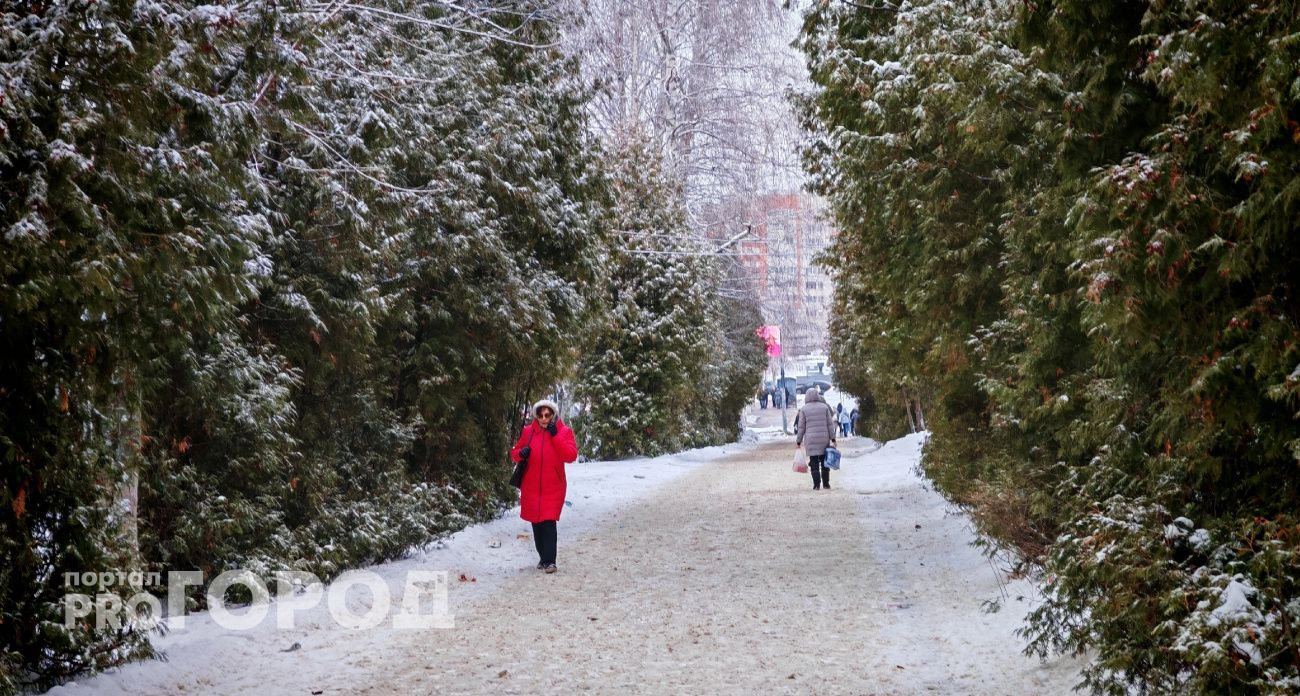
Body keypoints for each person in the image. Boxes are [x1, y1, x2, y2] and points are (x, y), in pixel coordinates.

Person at [509, 399, 578, 573]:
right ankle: (543, 557)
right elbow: (514, 453)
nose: (544, 418)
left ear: (553, 415)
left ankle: (550, 561)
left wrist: (555, 436)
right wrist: (521, 453)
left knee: (548, 521)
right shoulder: (528, 432)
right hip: (531, 486)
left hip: (553, 486)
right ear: (536, 416)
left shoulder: (563, 431)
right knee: (536, 522)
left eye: (547, 415)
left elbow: (570, 455)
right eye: (540, 415)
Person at [796, 386, 837, 490]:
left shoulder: (804, 409)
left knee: (813, 462)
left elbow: (801, 427)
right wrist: (833, 438)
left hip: (811, 440)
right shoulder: (824, 407)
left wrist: (798, 441)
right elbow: (830, 425)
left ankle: (816, 484)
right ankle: (826, 484)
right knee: (825, 462)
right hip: (824, 439)